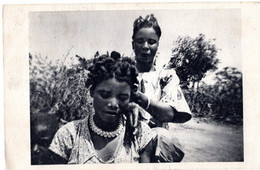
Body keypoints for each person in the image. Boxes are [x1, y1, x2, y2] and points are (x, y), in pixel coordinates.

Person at [48, 52, 156, 164]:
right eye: (105, 95)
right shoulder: (69, 135)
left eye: (122, 97)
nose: (113, 104)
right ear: (92, 92)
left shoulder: (140, 133)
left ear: (130, 98)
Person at [129, 14, 192, 162]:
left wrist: (140, 99)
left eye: (151, 42)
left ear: (158, 45)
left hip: (155, 148)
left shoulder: (166, 76)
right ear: (133, 44)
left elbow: (169, 113)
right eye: (140, 41)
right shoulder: (120, 73)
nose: (145, 46)